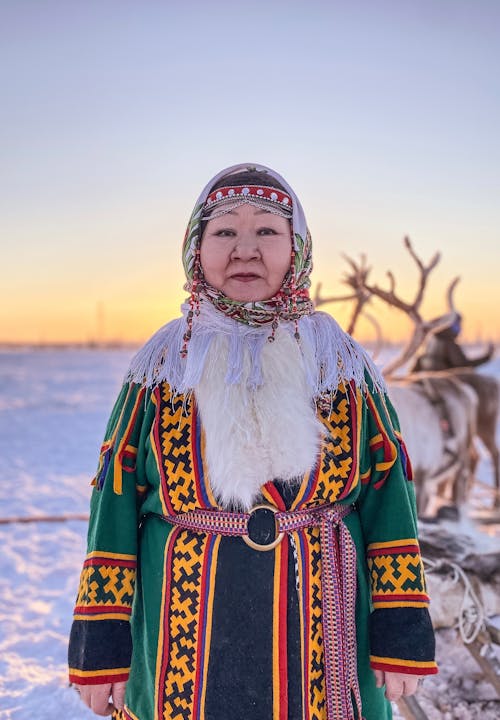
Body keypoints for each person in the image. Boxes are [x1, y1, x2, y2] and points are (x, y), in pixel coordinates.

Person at [68, 163, 437, 720]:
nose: (245, 250)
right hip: (180, 642)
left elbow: (390, 497)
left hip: (324, 629)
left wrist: (401, 629)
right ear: (197, 247)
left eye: (267, 230)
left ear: (298, 247)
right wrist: (101, 648)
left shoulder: (339, 365)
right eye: (223, 232)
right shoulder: (163, 366)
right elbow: (113, 503)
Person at [412, 314, 494, 372]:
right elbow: (463, 365)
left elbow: (420, 360)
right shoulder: (449, 343)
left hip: (429, 380)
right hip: (446, 382)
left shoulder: (431, 341)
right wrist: (486, 357)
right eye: (456, 326)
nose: (458, 329)